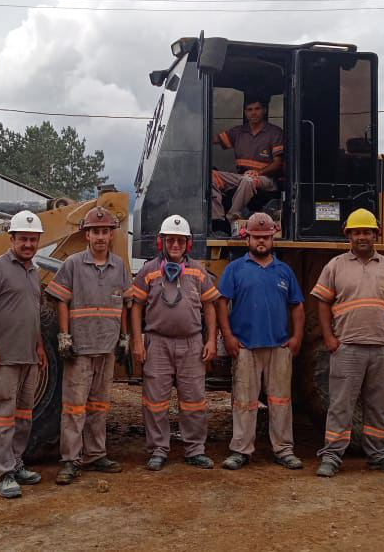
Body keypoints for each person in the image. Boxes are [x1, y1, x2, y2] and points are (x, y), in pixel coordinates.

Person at [312, 208, 384, 477]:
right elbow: (323, 303)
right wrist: (329, 338)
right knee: (340, 406)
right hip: (347, 348)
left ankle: (378, 456)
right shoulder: (335, 266)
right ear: (348, 236)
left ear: (376, 234)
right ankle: (332, 457)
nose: (362, 237)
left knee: (377, 407)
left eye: (367, 232)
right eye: (356, 232)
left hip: (382, 349)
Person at [45, 206, 132, 485]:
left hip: (106, 346)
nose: (101, 237)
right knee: (74, 407)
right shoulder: (72, 264)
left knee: (99, 405)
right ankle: (70, 460)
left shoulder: (119, 266)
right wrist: (64, 335)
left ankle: (95, 455)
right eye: (96, 232)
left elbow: (125, 304)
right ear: (87, 235)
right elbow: (61, 300)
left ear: (111, 235)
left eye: (105, 231)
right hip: (80, 348)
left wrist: (124, 337)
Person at [131, 214, 220, 471]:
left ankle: (195, 449)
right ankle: (158, 449)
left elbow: (210, 306)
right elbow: (135, 306)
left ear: (188, 244)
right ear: (162, 242)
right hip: (157, 343)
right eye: (171, 240)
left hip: (191, 344)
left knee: (194, 400)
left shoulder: (198, 271)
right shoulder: (149, 271)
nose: (176, 245)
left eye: (181, 241)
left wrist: (211, 340)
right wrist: (137, 341)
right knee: (155, 401)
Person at [216, 212, 305, 471]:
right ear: (247, 239)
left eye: (266, 237)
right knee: (244, 401)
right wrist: (228, 336)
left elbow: (297, 306)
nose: (262, 241)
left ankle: (283, 449)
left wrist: (296, 337)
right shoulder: (235, 269)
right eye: (257, 237)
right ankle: (241, 450)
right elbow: (221, 303)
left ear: (273, 238)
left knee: (281, 401)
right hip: (245, 346)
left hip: (278, 346)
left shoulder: (284, 271)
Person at [0, 210, 49, 499]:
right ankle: (2, 474)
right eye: (23, 239)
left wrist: (39, 346)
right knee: (1, 418)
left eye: (33, 239)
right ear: (12, 238)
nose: (28, 244)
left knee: (22, 417)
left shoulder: (33, 273)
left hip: (28, 356)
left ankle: (15, 464)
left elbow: (34, 314)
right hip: (3, 357)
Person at [211, 97, 284, 227]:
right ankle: (217, 220)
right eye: (249, 110)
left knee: (248, 180)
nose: (253, 113)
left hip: (266, 179)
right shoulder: (238, 132)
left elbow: (277, 164)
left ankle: (231, 218)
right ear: (245, 113)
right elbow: (214, 139)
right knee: (211, 176)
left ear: (264, 110)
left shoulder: (275, 132)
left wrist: (258, 172)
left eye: (257, 109)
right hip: (242, 176)